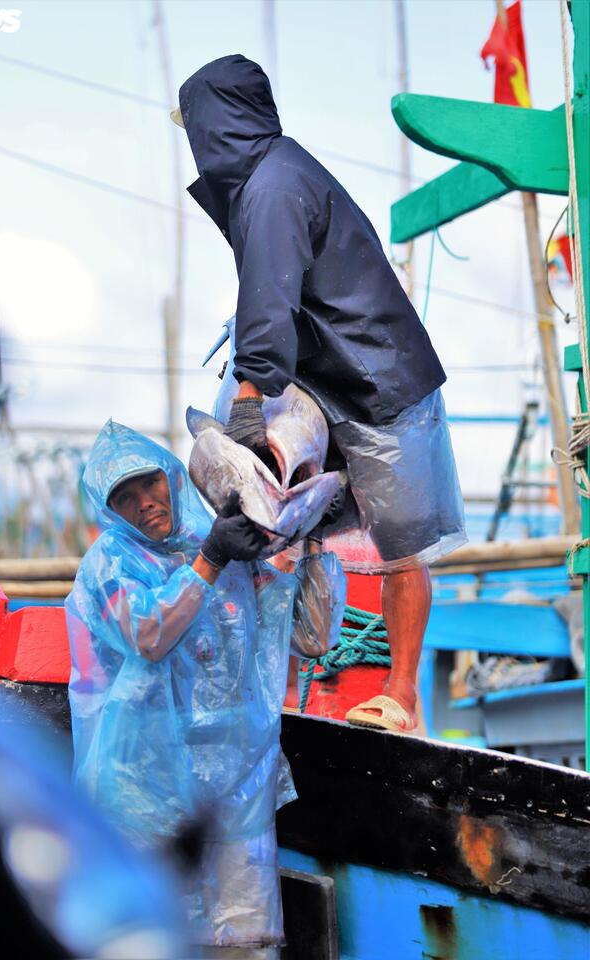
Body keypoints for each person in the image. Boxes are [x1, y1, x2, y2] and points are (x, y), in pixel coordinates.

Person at [171, 54, 466, 734]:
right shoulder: (270, 176)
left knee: (401, 550)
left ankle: (401, 695)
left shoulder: (271, 188)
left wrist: (248, 399)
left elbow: (266, 304)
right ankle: (285, 675)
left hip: (380, 380)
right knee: (293, 527)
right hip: (329, 378)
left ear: (214, 126)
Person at [65, 421, 344, 957]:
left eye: (149, 484)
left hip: (235, 790)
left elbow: (311, 635)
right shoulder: (109, 564)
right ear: (109, 511)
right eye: (125, 497)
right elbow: (147, 633)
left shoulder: (220, 546)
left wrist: (311, 537)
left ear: (171, 478)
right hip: (141, 798)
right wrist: (211, 560)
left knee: (248, 941)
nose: (145, 502)